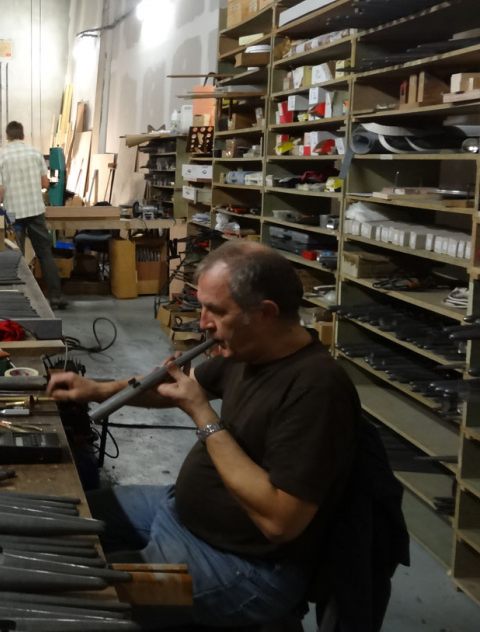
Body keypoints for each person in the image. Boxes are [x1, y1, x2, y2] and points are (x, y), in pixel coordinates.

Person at [47, 241, 360, 628]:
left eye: (216, 311)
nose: (202, 323)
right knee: (58, 518)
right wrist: (97, 388)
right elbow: (175, 386)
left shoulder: (316, 389)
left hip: (244, 566)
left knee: (66, 591)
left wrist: (202, 414)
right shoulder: (248, 351)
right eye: (202, 307)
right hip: (181, 511)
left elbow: (280, 521)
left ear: (264, 314)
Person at [0, 121, 66, 310]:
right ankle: (55, 298)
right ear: (23, 135)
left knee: (15, 255)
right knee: (44, 254)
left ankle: (15, 299)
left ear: (7, 136)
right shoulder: (35, 153)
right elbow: (45, 183)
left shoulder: (0, 157)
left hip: (13, 213)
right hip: (35, 210)